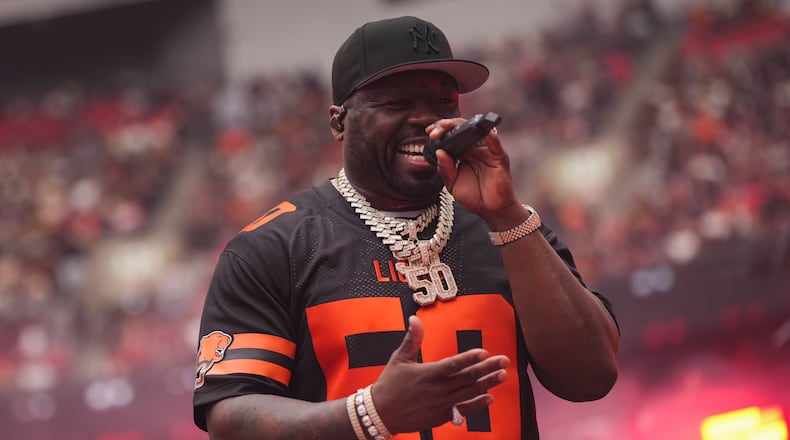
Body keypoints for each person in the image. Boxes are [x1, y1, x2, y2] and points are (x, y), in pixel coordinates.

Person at [193, 15, 619, 440]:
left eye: (442, 104)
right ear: (339, 122)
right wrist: (368, 414)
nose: (426, 121)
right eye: (396, 104)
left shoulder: (512, 229)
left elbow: (591, 377)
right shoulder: (273, 247)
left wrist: (506, 216)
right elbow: (230, 421)